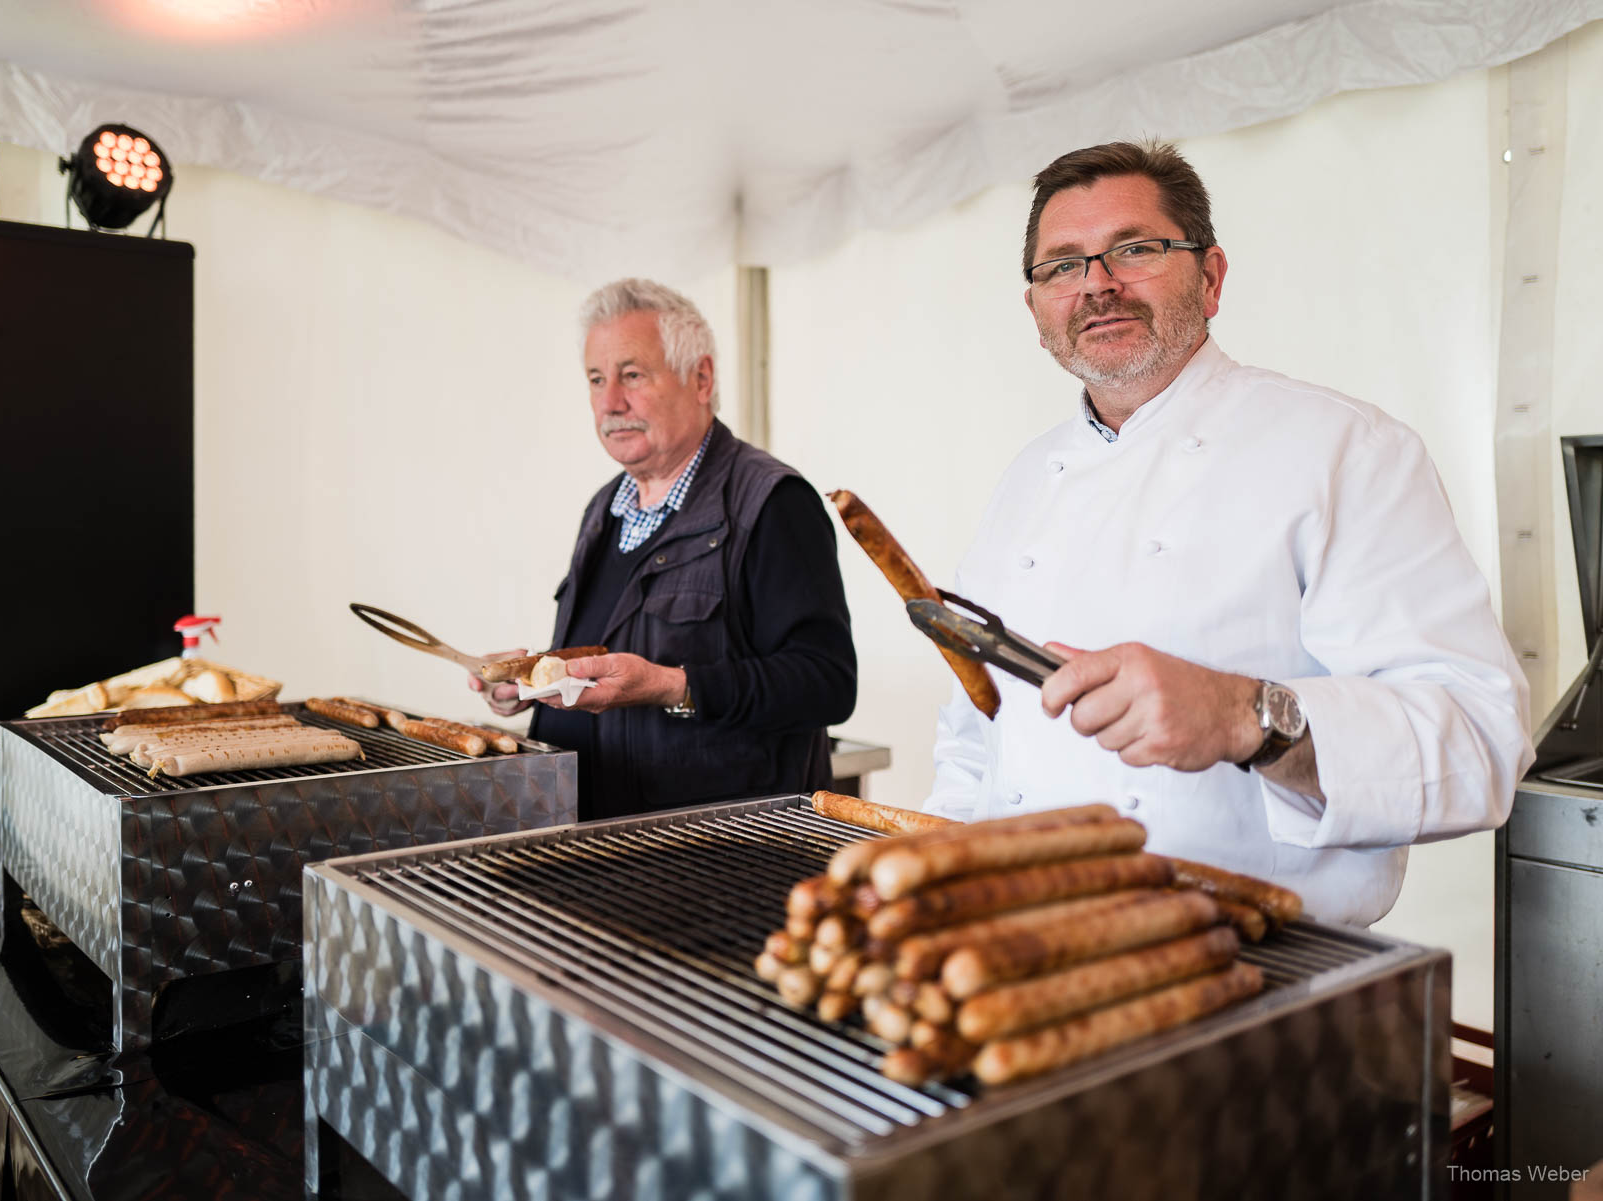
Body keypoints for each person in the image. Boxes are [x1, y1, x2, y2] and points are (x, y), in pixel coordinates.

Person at [923, 141, 1531, 925]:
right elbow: (974, 731)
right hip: (1024, 949)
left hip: (1255, 968)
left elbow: (1480, 745)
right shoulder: (1026, 476)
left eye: (1134, 249)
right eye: (1063, 265)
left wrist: (1247, 717)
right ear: (1038, 312)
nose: (1097, 284)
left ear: (1210, 278)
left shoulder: (1346, 449)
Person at [471, 278, 857, 820]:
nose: (610, 402)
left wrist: (670, 686)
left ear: (700, 378)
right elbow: (599, 662)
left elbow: (826, 685)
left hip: (713, 859)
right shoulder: (604, 509)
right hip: (587, 842)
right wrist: (533, 682)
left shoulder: (771, 502)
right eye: (596, 379)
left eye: (632, 375)